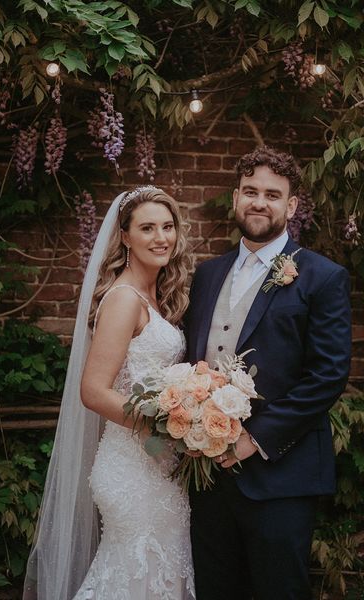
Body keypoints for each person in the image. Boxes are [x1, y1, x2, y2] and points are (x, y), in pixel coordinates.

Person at [185, 146, 351, 600]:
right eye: (251, 191)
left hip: (280, 476)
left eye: (272, 195)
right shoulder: (206, 274)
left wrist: (253, 439)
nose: (260, 202)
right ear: (236, 198)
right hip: (207, 476)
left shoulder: (322, 277)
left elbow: (328, 374)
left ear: (291, 206)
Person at [23, 186, 195, 600]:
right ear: (125, 236)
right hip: (132, 469)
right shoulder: (123, 299)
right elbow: (94, 391)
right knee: (141, 575)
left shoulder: (155, 296)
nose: (161, 238)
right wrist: (169, 424)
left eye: (168, 227)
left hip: (155, 458)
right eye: (148, 228)